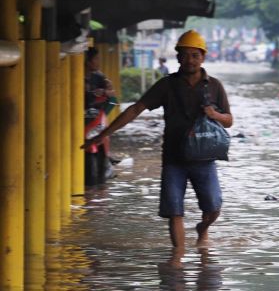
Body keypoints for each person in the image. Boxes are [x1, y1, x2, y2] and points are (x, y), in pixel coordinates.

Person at [81, 30, 233, 248]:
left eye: (195, 55)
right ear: (178, 57)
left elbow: (229, 121)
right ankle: (177, 259)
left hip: (204, 159)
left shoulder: (215, 86)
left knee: (213, 208)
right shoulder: (166, 85)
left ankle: (203, 228)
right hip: (173, 158)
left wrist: (215, 115)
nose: (190, 60)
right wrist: (103, 135)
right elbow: (135, 109)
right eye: (185, 55)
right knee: (174, 211)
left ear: (203, 57)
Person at [84, 47, 118, 185]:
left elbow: (112, 93)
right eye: (96, 59)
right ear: (87, 61)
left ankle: (107, 157)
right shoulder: (74, 75)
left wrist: (105, 90)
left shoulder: (99, 77)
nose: (98, 62)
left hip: (96, 115)